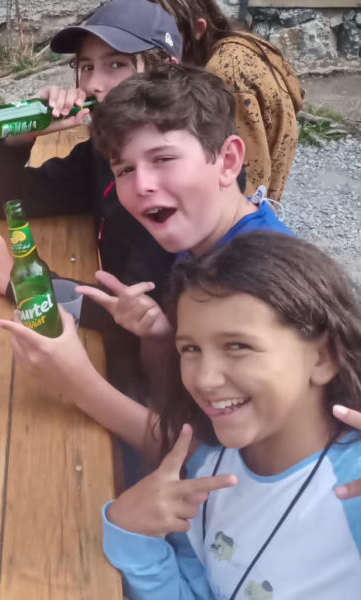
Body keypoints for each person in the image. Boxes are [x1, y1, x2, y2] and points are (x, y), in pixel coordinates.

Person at [0, 65, 292, 461]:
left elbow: (218, 469)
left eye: (164, 159)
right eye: (125, 169)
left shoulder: (255, 287)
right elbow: (174, 397)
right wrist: (157, 336)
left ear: (228, 161)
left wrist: (76, 381)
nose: (141, 186)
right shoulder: (201, 239)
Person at [102, 231, 361, 599]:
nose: (204, 379)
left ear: (323, 357)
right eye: (190, 349)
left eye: (238, 346)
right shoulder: (209, 465)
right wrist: (131, 534)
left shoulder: (353, 494)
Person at [0, 0, 183, 400]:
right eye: (86, 67)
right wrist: (22, 136)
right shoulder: (108, 151)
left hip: (160, 385)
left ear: (166, 71)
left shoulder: (172, 181)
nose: (94, 84)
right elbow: (2, 202)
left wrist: (23, 283)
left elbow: (136, 313)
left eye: (117, 64)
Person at [150, 0, 303, 202]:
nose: (153, 48)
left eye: (164, 35)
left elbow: (245, 173)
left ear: (198, 28)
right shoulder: (243, 43)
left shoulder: (225, 74)